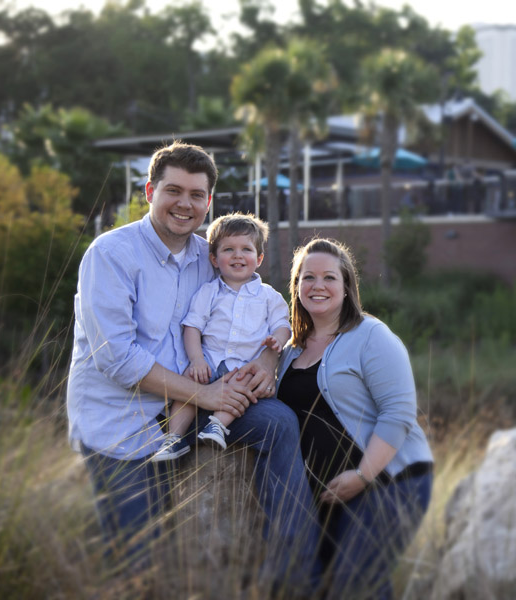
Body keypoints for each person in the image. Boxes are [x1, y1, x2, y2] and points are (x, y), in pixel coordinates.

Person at [66, 142, 320, 588]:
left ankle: (294, 575)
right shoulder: (111, 255)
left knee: (279, 421)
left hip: (195, 401)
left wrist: (265, 357)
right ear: (149, 191)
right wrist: (206, 394)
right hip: (124, 426)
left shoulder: (213, 257)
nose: (185, 204)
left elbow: (260, 310)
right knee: (138, 567)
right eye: (173, 190)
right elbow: (117, 357)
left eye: (197, 195)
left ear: (208, 202)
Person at [274, 238, 434, 598]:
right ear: (296, 286)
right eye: (308, 277)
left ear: (347, 287)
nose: (318, 286)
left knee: (355, 587)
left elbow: (399, 411)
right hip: (326, 494)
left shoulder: (370, 336)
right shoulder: (290, 350)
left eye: (329, 278)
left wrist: (363, 475)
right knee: (327, 583)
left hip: (386, 483)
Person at [149, 212, 291, 461]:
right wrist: (196, 360)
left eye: (246, 249)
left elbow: (283, 326)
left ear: (258, 258)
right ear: (214, 259)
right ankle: (174, 438)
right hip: (211, 362)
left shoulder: (269, 297)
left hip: (243, 368)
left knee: (244, 385)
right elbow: (192, 327)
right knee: (189, 385)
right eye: (228, 249)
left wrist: (276, 340)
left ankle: (217, 425)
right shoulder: (208, 292)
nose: (237, 255)